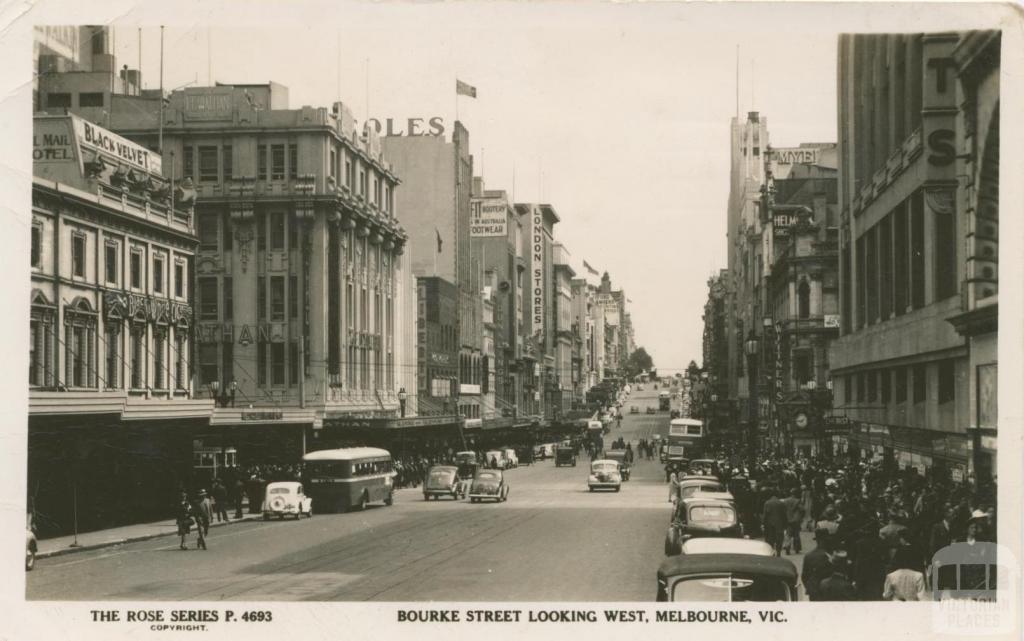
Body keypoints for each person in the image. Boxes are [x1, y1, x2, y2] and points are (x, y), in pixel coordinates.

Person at [802, 529, 834, 602]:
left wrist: (810, 587)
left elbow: (804, 576)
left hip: (814, 591)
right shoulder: (830, 556)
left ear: (817, 540)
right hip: (828, 591)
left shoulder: (809, 556)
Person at [762, 488, 788, 556]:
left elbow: (765, 514)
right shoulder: (781, 503)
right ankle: (778, 552)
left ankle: (771, 552)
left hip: (769, 523)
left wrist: (763, 523)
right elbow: (784, 514)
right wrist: (785, 524)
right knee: (779, 538)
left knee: (770, 538)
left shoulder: (767, 503)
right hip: (779, 523)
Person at [782, 487, 805, 555]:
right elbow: (802, 510)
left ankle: (787, 546)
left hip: (787, 519)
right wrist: (801, 516)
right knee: (796, 534)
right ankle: (797, 548)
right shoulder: (798, 500)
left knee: (788, 534)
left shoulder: (786, 500)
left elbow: (783, 510)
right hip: (796, 520)